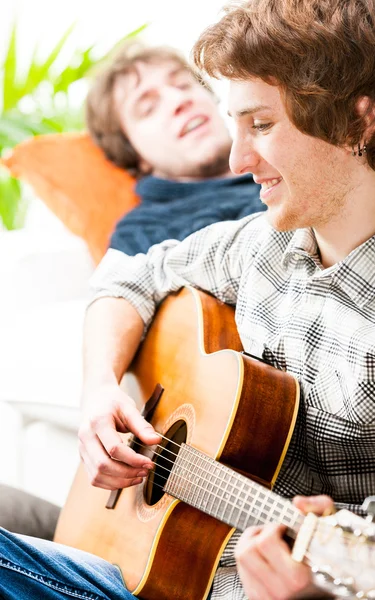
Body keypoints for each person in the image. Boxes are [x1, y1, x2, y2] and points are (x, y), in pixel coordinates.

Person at [1, 0, 375, 598]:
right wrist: (99, 390)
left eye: (260, 125)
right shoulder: (259, 245)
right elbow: (130, 275)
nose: (235, 161)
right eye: (236, 126)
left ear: (359, 123)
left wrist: (313, 594)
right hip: (137, 562)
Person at [0, 44, 264, 540]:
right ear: (134, 154)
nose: (178, 101)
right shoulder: (150, 223)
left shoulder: (294, 165)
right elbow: (118, 286)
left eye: (184, 85)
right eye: (148, 106)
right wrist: (99, 387)